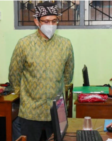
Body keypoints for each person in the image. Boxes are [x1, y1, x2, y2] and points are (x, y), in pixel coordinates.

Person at [9, 2, 74, 141]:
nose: (50, 25)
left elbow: (68, 75)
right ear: (36, 21)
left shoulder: (65, 44)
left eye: (54, 21)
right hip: (31, 111)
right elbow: (14, 74)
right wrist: (25, 96)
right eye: (46, 21)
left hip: (56, 111)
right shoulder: (24, 44)